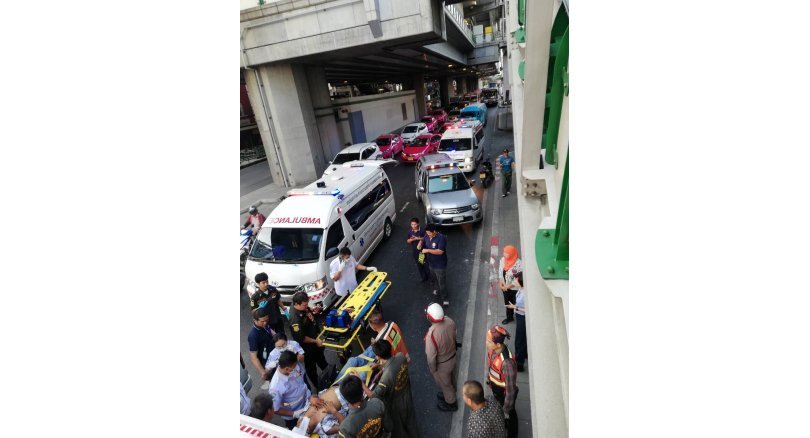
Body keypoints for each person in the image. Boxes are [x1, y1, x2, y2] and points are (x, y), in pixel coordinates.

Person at [362, 340, 419, 438]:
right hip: (407, 394)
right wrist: (380, 367)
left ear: (378, 357)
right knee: (411, 421)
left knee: (400, 428)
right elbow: (393, 364)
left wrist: (361, 383)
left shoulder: (385, 379)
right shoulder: (401, 356)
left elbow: (374, 395)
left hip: (397, 405)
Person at [289, 291, 329, 391]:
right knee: (311, 369)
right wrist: (316, 341)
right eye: (304, 305)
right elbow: (301, 338)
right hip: (308, 348)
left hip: (315, 340)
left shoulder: (301, 307)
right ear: (296, 304)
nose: (306, 306)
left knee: (322, 361)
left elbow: (308, 314)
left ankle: (330, 376)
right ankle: (318, 387)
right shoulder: (295, 319)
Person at [485, 325, 518, 437]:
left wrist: (506, 408)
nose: (486, 343)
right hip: (497, 390)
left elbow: (511, 389)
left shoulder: (507, 363)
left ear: (498, 344)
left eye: (488, 341)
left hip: (504, 394)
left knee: (511, 414)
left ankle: (512, 434)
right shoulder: (493, 350)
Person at [424, 303, 458, 412]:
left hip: (442, 364)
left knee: (445, 385)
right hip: (453, 357)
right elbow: (454, 335)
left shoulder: (431, 334)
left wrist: (433, 369)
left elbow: (431, 357)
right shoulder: (449, 321)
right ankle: (452, 392)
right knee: (452, 378)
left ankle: (451, 403)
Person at [268, 350, 312, 429]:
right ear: (287, 369)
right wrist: (294, 413)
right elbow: (275, 409)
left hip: (306, 403)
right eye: (294, 366)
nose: (297, 367)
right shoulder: (275, 387)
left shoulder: (293, 366)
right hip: (293, 416)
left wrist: (309, 396)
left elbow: (301, 382)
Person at [420, 224, 449, 306]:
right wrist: (420, 242)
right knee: (434, 279)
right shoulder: (427, 235)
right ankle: (436, 289)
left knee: (441, 282)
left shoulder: (441, 238)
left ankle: (445, 298)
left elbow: (440, 251)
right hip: (431, 263)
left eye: (429, 233)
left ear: (434, 232)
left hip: (440, 265)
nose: (428, 234)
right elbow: (424, 239)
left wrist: (428, 250)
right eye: (427, 233)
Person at [505, 272, 527, 372]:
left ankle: (519, 364)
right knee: (521, 339)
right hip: (519, 315)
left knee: (519, 340)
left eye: (516, 280)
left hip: (522, 317)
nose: (514, 282)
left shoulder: (525, 294)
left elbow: (528, 310)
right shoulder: (521, 289)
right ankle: (524, 355)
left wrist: (515, 307)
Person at [247, 307, 276, 381]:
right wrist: (263, 372)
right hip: (269, 364)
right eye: (262, 321)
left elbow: (274, 334)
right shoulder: (253, 335)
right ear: (255, 320)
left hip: (277, 356)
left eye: (267, 320)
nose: (265, 323)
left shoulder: (265, 325)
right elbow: (253, 358)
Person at [498, 245, 523, 325]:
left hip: (515, 289)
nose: (504, 254)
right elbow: (500, 272)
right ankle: (509, 317)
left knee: (517, 304)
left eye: (506, 253)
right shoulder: (502, 260)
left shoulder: (519, 264)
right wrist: (501, 283)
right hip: (505, 288)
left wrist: (507, 287)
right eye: (504, 252)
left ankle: (520, 318)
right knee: (508, 303)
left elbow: (518, 280)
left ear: (512, 254)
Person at [405, 217, 430, 283]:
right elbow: (408, 241)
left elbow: (426, 238)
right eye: (412, 224)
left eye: (415, 224)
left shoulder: (422, 231)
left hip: (422, 252)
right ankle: (424, 277)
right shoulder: (410, 232)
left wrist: (417, 238)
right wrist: (412, 239)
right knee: (419, 265)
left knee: (425, 265)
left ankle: (430, 278)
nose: (413, 226)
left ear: (418, 224)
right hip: (415, 252)